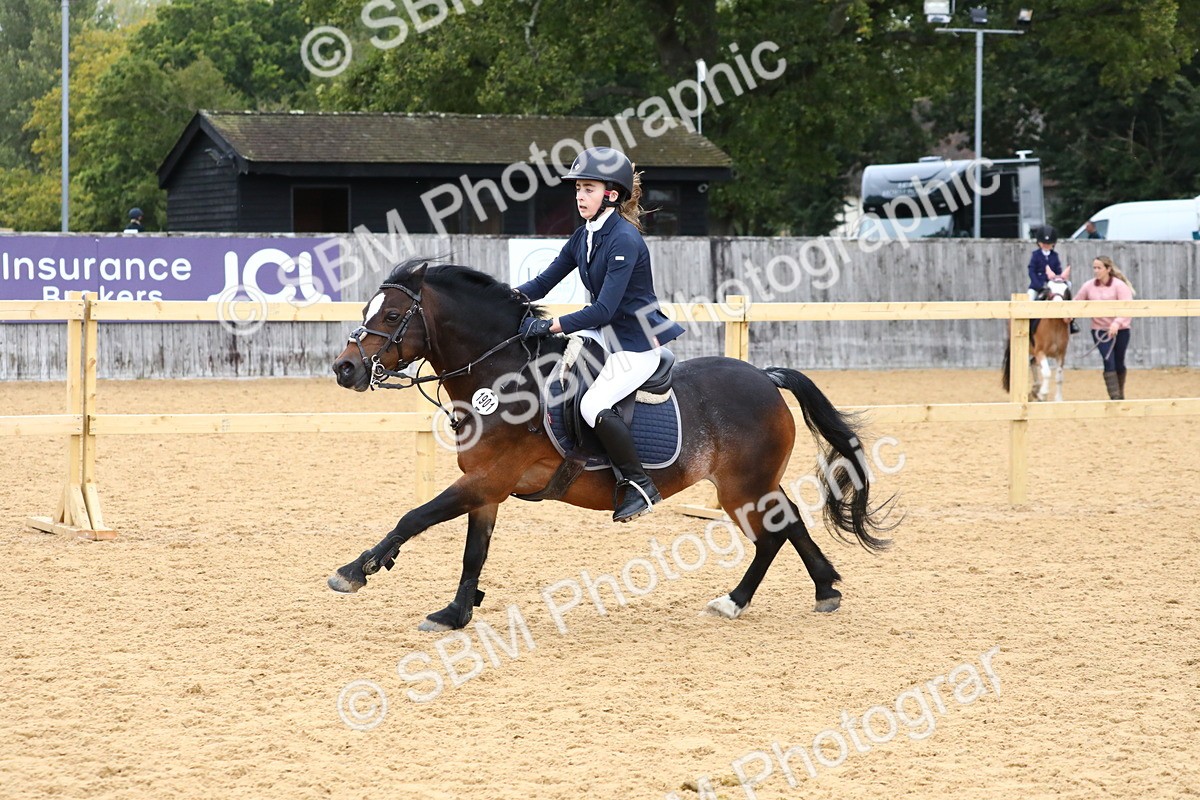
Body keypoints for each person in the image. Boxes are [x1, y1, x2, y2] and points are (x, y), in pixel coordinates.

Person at [515, 147, 685, 523]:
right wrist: (504, 299)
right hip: (602, 334)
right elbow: (544, 281)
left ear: (611, 194)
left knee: (593, 405)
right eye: (577, 188)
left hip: (636, 341)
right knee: (552, 372)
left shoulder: (624, 239)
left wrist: (550, 324)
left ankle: (640, 483)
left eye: (588, 188)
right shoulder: (583, 236)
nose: (579, 196)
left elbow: (605, 309)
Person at [1072, 255, 1135, 399]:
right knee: (1108, 361)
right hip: (1100, 330)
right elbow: (1077, 301)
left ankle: (1120, 394)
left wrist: (1116, 323)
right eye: (1094, 268)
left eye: (1099, 268)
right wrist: (1068, 315)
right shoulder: (1088, 286)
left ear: (1108, 269)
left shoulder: (1119, 286)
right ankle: (1115, 397)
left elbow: (1128, 307)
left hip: (1121, 330)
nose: (1096, 271)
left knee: (1119, 361)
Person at [1026, 225, 1079, 334]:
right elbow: (1032, 271)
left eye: (1048, 244)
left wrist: (1059, 279)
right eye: (1044, 243)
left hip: (1052, 284)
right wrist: (1039, 286)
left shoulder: (1054, 256)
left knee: (1067, 293)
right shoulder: (1035, 255)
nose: (1046, 245)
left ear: (1053, 244)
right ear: (1039, 243)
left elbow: (1058, 270)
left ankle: (1072, 322)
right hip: (1038, 286)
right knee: (1029, 301)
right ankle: (1027, 326)